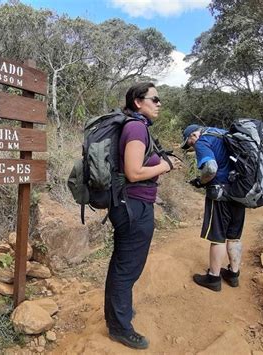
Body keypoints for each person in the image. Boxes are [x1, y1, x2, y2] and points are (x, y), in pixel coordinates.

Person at [105, 82, 178, 350]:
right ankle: (120, 328)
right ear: (138, 102)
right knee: (127, 269)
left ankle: (117, 315)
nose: (159, 104)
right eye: (154, 99)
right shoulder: (136, 127)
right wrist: (166, 166)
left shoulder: (136, 127)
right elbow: (134, 173)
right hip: (133, 206)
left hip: (129, 204)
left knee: (122, 265)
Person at [181, 124, 245, 292]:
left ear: (194, 135)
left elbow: (211, 168)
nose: (192, 146)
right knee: (234, 236)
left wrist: (201, 182)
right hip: (240, 192)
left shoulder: (203, 141)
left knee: (218, 237)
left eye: (189, 142)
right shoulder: (225, 135)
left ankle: (214, 278)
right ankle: (233, 274)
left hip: (220, 194)